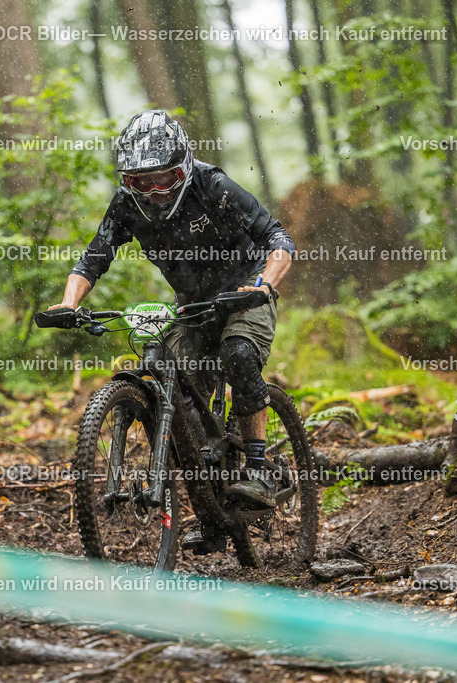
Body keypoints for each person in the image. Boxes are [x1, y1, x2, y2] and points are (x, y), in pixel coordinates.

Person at [46, 110, 296, 546]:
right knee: (175, 395)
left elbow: (277, 237)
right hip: (193, 304)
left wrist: (263, 284)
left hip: (244, 289)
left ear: (182, 167)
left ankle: (257, 469)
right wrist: (69, 303)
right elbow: (94, 257)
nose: (155, 191)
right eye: (142, 182)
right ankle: (213, 515)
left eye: (164, 179)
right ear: (128, 181)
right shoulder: (126, 205)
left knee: (238, 356)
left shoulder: (212, 186)